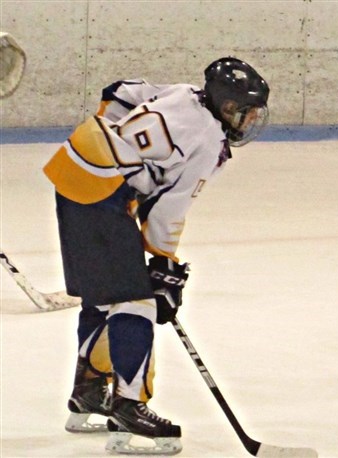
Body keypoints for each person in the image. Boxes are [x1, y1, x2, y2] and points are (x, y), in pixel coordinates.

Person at [43, 57, 270, 454]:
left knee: (105, 295)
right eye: (244, 112)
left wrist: (113, 139)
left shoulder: (182, 93)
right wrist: (163, 264)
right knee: (137, 302)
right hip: (102, 192)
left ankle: (89, 392)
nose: (248, 122)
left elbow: (120, 91)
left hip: (74, 168)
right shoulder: (208, 142)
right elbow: (168, 210)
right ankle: (128, 407)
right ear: (226, 106)